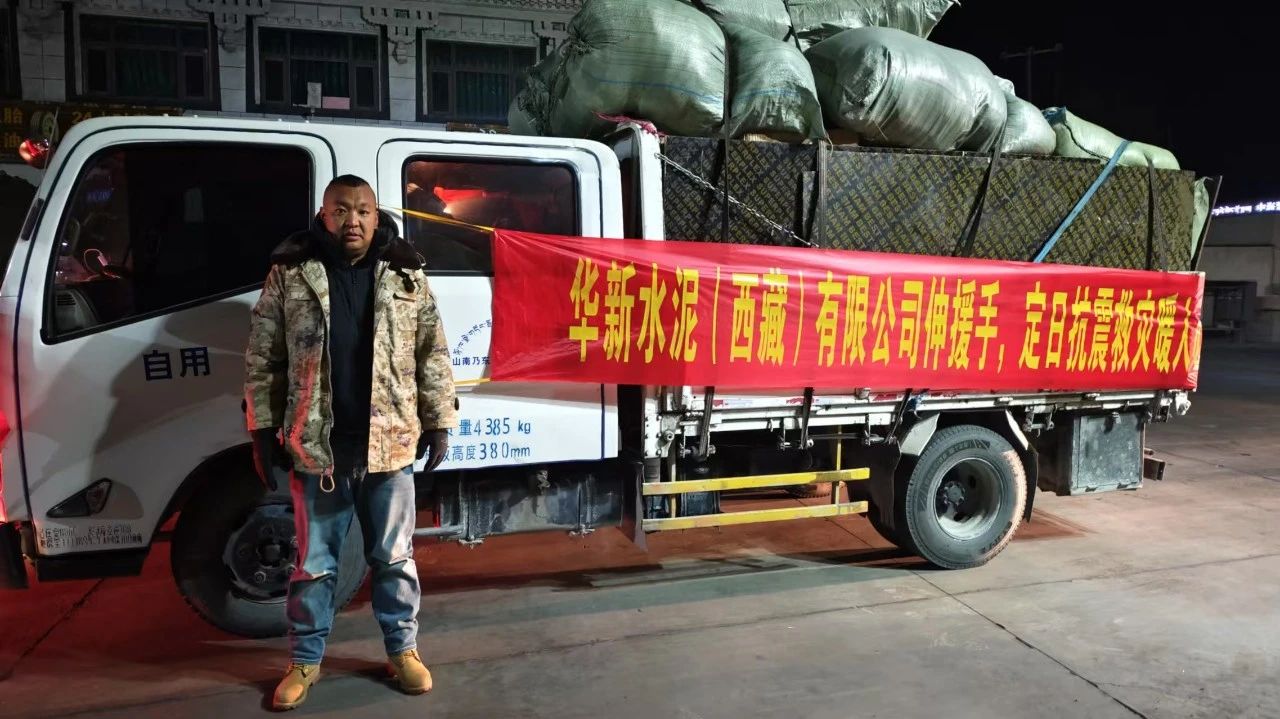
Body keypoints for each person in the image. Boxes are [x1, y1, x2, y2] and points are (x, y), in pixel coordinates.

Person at [244, 174, 458, 711]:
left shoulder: (405, 272)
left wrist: (439, 420)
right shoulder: (291, 273)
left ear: (376, 215)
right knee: (313, 565)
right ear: (325, 214)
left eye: (363, 210)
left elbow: (432, 351)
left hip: (389, 447)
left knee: (394, 559)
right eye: (341, 210)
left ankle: (403, 651)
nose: (353, 221)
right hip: (319, 450)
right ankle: (304, 660)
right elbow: (264, 356)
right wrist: (261, 428)